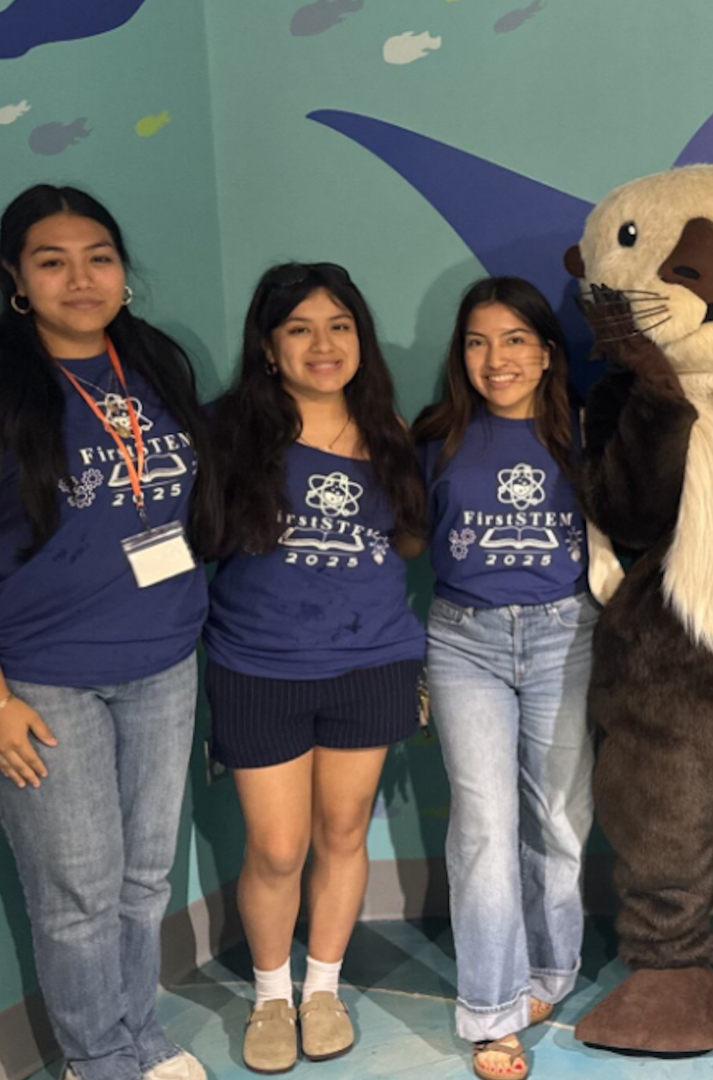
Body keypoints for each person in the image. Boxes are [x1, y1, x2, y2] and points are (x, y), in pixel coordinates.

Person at [0, 185, 217, 1080]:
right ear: (16, 280)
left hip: (162, 662)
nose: (81, 278)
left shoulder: (152, 360)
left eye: (99, 257)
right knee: (76, 893)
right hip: (39, 681)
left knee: (145, 877)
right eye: (52, 261)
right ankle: (97, 1058)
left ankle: (140, 1036)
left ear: (122, 271)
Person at [203, 263, 428, 1075]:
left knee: (343, 830)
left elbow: (406, 541)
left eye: (339, 326)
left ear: (360, 340)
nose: (322, 344)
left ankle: (322, 988)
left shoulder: (389, 431)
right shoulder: (227, 432)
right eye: (299, 328)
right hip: (257, 666)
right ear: (268, 347)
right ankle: (271, 996)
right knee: (276, 846)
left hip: (372, 662)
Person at [413, 278, 598, 1080]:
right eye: (480, 342)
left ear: (547, 351)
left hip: (568, 636)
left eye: (516, 339)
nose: (498, 359)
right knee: (484, 828)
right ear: (462, 355)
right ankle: (492, 1012)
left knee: (559, 820)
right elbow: (403, 549)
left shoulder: (584, 435)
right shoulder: (436, 439)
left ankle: (550, 974)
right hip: (464, 644)